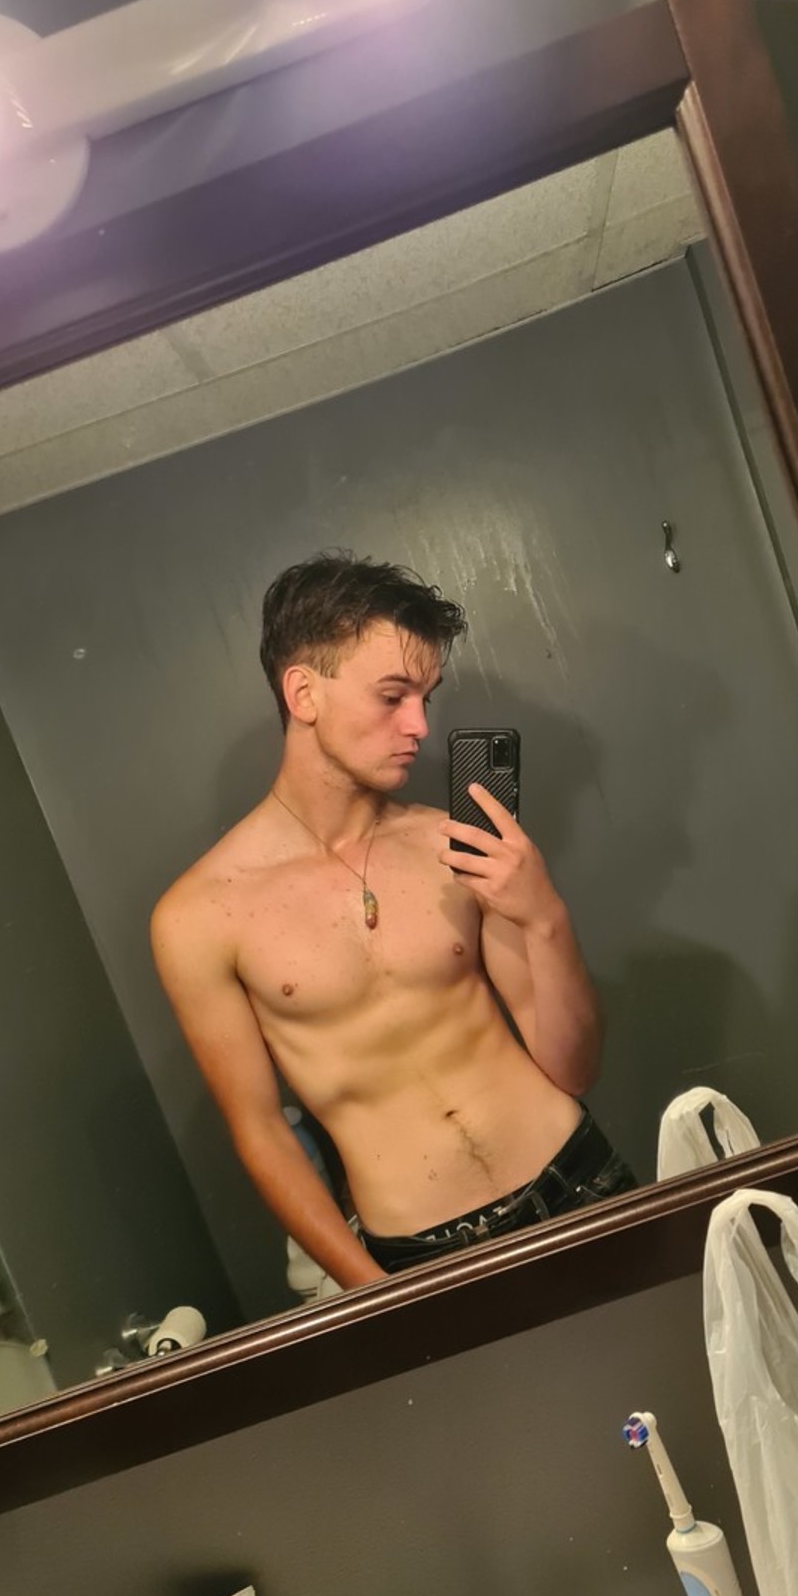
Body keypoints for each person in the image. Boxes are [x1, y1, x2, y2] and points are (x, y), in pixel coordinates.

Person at [151, 551, 637, 1289]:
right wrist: (372, 1292)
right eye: (392, 696)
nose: (419, 725)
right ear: (304, 693)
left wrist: (546, 917)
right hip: (418, 1258)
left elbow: (573, 1068)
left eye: (425, 698)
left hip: (577, 1179)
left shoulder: (453, 842)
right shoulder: (199, 915)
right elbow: (262, 1135)